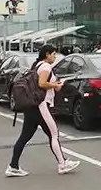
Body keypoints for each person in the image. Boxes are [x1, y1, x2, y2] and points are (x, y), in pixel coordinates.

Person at [5, 44, 81, 177]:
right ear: (47, 54)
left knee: (25, 137)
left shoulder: (37, 65)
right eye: (53, 54)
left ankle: (13, 166)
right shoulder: (45, 66)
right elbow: (42, 83)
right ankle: (62, 164)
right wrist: (55, 85)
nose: (55, 57)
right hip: (41, 105)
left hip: (32, 107)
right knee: (54, 134)